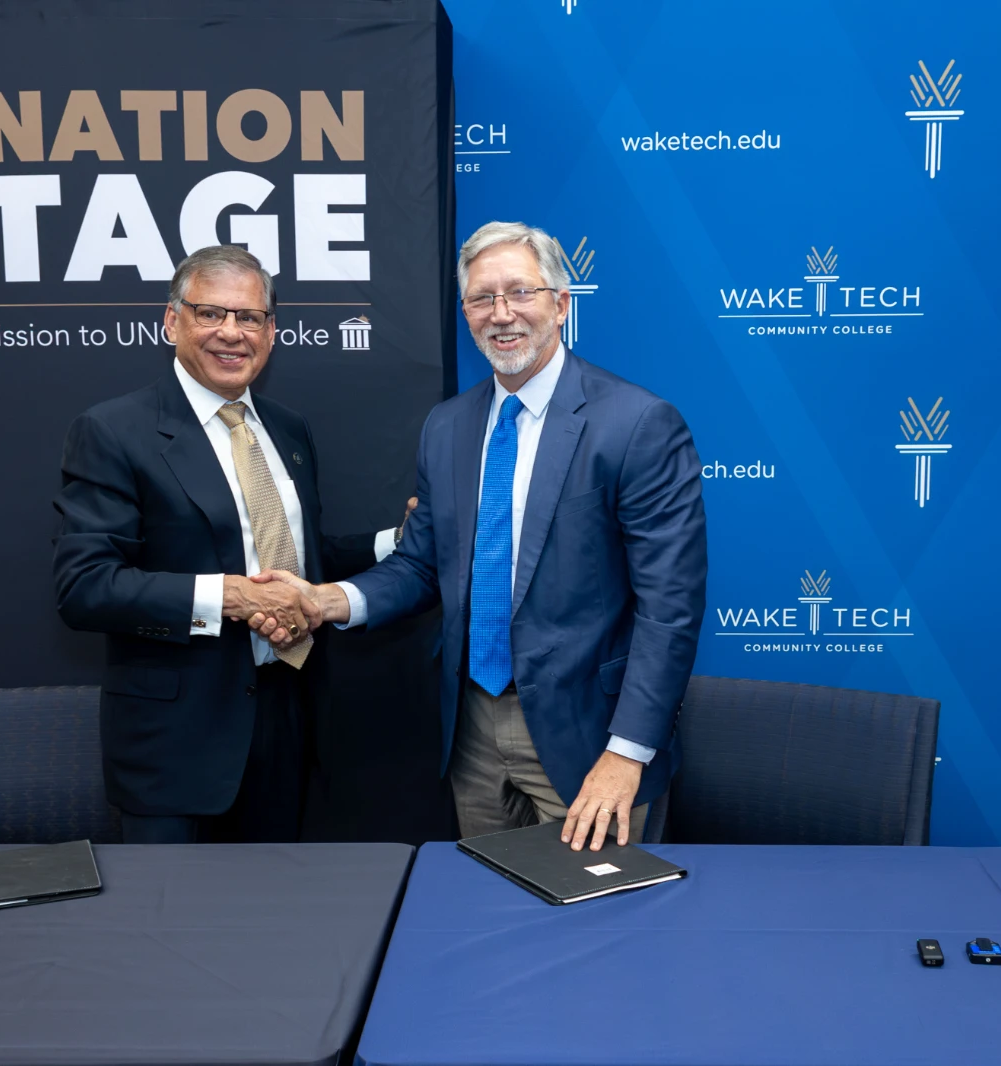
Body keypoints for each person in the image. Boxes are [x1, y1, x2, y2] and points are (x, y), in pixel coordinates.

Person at [251, 221, 706, 852]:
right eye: (482, 299)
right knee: (490, 917)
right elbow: (419, 566)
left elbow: (669, 610)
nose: (502, 314)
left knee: (599, 931)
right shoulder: (448, 426)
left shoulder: (636, 424)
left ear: (561, 302)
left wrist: (626, 755)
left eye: (520, 292)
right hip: (471, 732)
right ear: (466, 313)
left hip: (589, 739)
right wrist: (324, 601)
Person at [52, 245, 402, 844]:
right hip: (177, 747)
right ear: (172, 321)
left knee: (268, 924)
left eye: (249, 317)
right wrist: (229, 598)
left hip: (287, 718)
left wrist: (400, 540)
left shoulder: (288, 428)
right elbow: (85, 586)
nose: (231, 333)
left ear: (271, 331)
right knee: (168, 927)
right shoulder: (114, 431)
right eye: (210, 314)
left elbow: (295, 555)